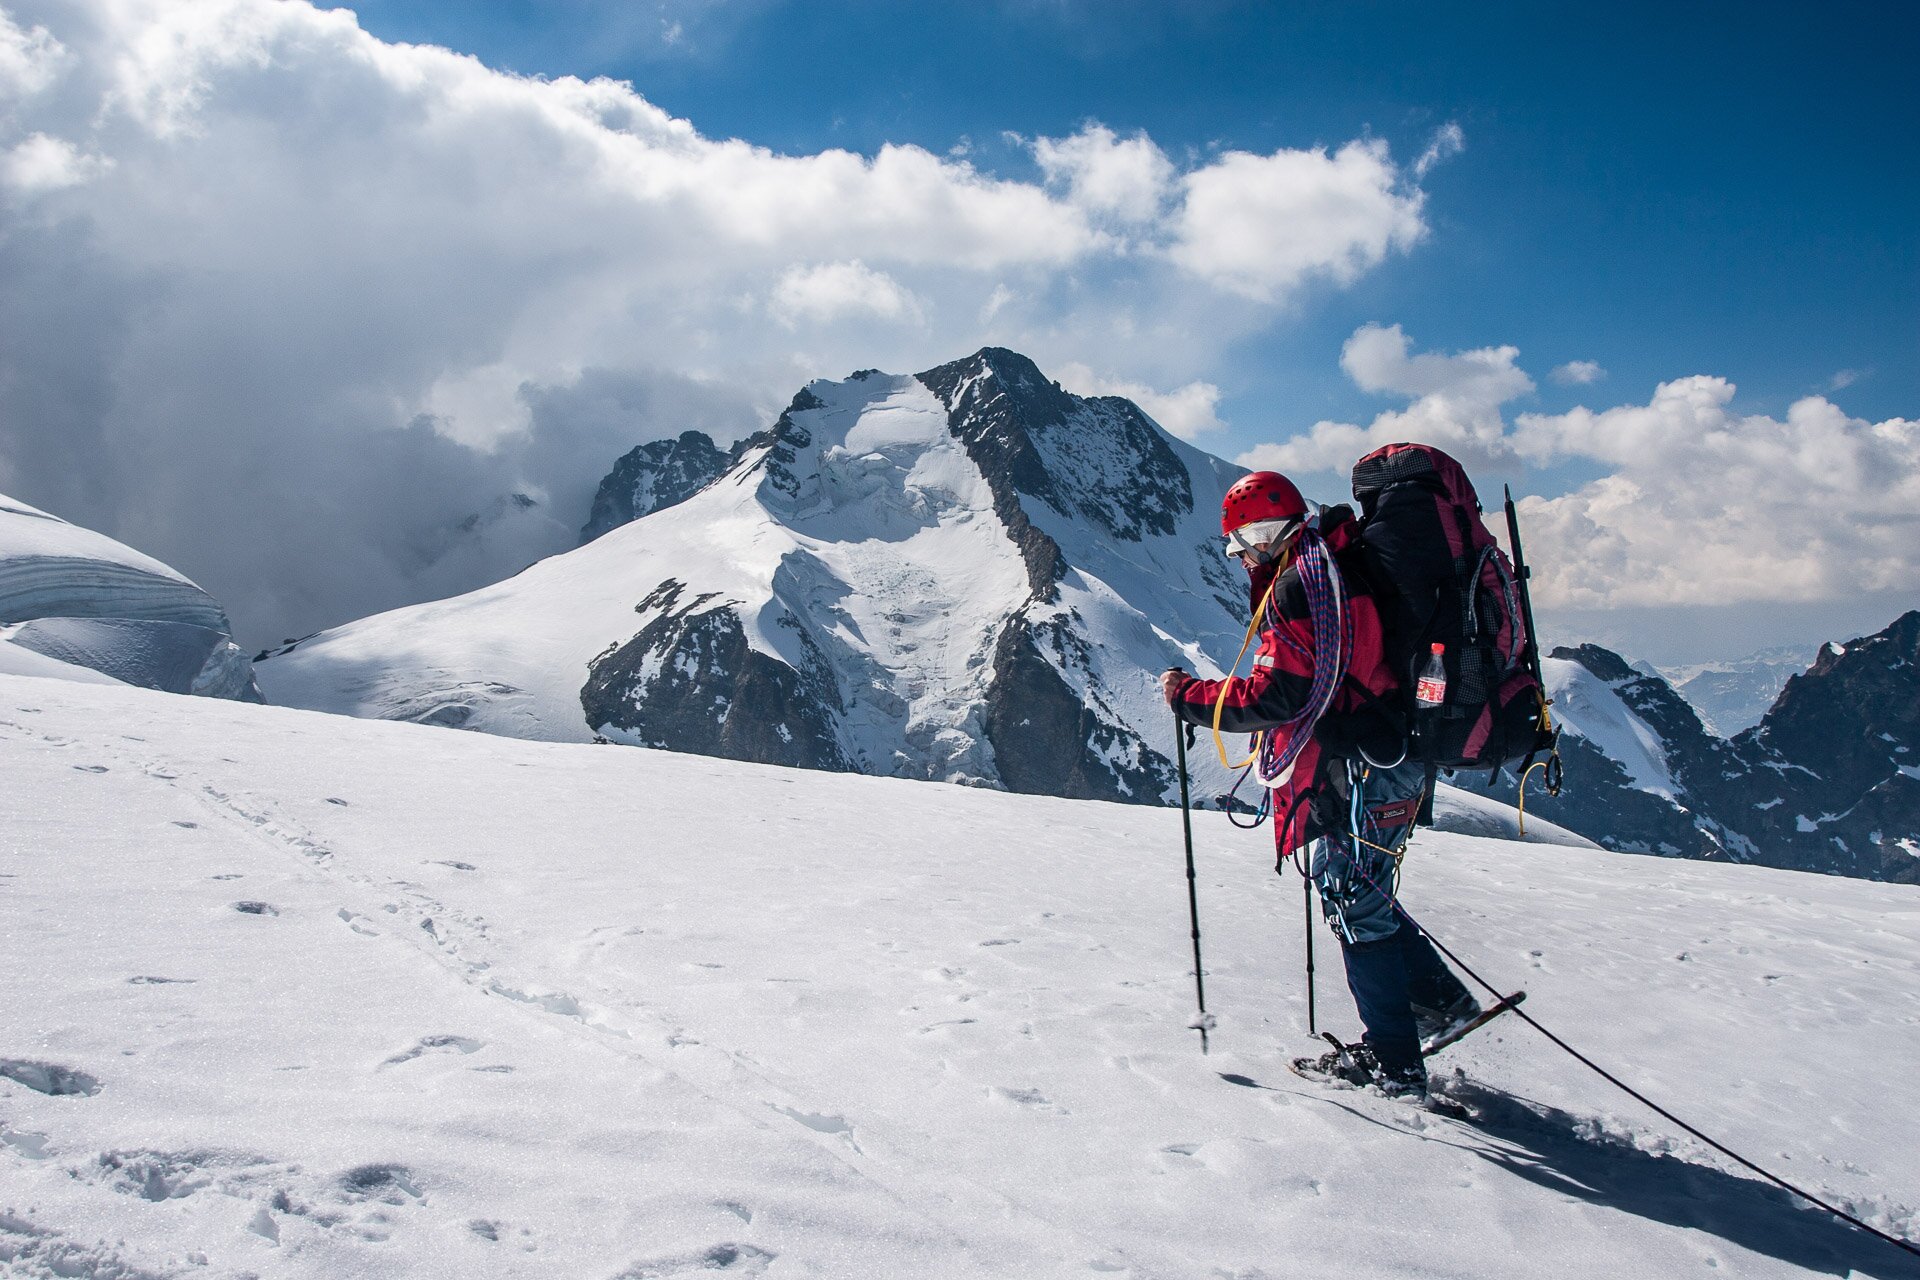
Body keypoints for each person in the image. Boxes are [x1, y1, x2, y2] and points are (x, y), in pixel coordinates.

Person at [1160, 470, 1478, 1098]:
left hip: (1359, 769)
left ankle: (1395, 1060)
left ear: (1261, 532)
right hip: (1386, 757)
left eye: (1239, 543)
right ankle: (1438, 1001)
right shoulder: (1328, 566)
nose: (1240, 556)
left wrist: (1189, 698)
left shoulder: (1301, 587)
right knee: (1364, 891)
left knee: (1353, 900)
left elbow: (1282, 693)